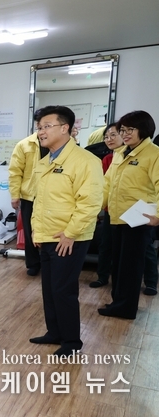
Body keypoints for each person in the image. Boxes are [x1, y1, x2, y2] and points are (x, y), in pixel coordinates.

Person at [29, 106, 103, 357]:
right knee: (49, 289)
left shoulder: (85, 161)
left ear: (65, 128)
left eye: (46, 126)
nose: (41, 132)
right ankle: (55, 333)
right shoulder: (45, 162)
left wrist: (71, 234)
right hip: (47, 235)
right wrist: (36, 231)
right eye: (39, 127)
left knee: (63, 290)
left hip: (69, 238)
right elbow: (40, 201)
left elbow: (90, 203)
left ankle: (71, 341)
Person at [99, 111, 159, 319]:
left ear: (144, 129)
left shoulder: (154, 154)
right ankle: (118, 302)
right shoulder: (121, 152)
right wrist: (98, 207)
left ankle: (126, 308)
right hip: (118, 216)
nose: (124, 134)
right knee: (118, 263)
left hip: (140, 218)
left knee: (131, 266)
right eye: (122, 130)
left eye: (130, 129)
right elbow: (107, 183)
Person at [89, 124, 124, 288]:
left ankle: (150, 282)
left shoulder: (134, 157)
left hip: (130, 210)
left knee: (138, 248)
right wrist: (97, 210)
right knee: (106, 244)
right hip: (110, 209)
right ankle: (102, 277)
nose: (109, 139)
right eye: (106, 137)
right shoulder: (108, 159)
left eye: (113, 135)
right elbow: (103, 185)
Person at [8, 131, 46, 276]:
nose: (44, 128)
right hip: (29, 195)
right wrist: (15, 195)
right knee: (29, 232)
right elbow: (15, 172)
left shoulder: (58, 143)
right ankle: (33, 263)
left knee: (49, 230)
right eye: (41, 125)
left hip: (51, 195)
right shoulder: (24, 145)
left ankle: (49, 262)